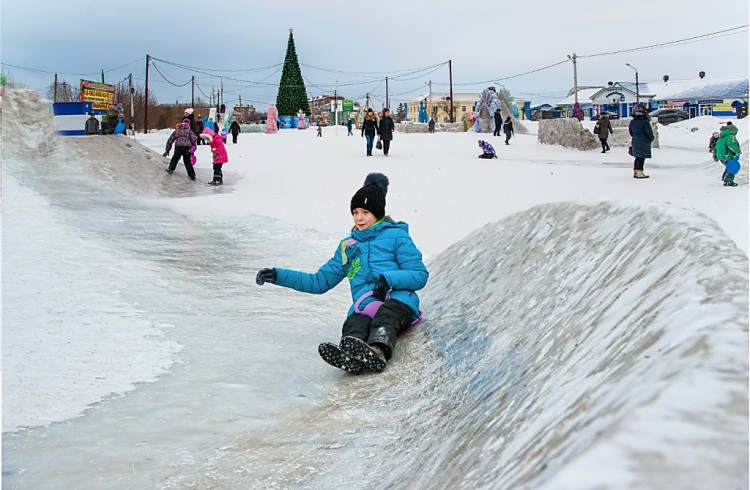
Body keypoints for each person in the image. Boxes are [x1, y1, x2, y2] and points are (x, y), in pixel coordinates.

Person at [255, 173, 429, 374]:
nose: (359, 218)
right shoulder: (348, 247)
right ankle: (352, 356)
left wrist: (388, 280)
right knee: (355, 321)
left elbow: (419, 274)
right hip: (366, 304)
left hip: (399, 303)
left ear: (378, 213)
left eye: (365, 212)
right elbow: (318, 282)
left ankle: (378, 350)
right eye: (355, 212)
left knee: (386, 315)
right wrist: (278, 276)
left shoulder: (397, 236)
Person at [628, 104, 654, 179]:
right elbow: (649, 132)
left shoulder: (633, 121)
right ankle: (639, 172)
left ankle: (636, 171)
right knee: (641, 157)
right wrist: (651, 138)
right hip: (643, 141)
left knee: (637, 157)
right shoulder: (645, 122)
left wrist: (635, 137)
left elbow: (631, 132)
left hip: (635, 140)